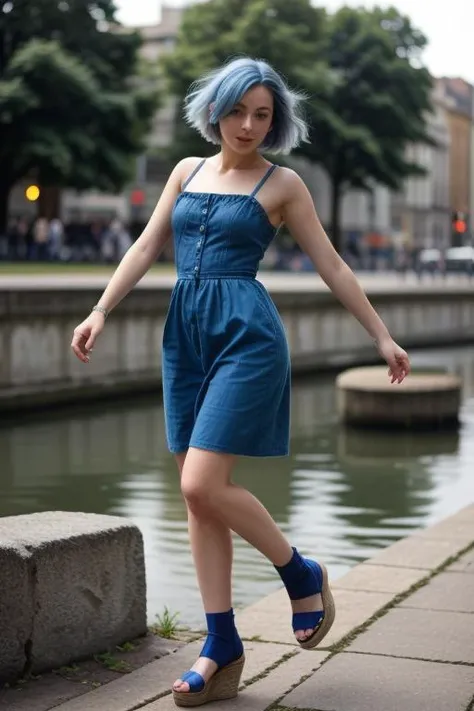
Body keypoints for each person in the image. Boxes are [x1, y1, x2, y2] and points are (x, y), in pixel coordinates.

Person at [71, 57, 410, 707]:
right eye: (237, 111)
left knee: (200, 480)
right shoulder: (184, 172)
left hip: (246, 337)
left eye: (262, 114)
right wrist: (100, 309)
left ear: (274, 119)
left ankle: (298, 569)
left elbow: (331, 264)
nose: (249, 124)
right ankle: (221, 644)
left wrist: (380, 334)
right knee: (198, 500)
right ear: (216, 111)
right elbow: (145, 245)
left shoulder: (283, 185)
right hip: (185, 337)